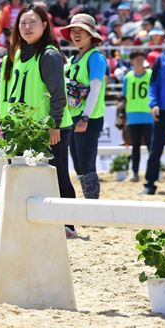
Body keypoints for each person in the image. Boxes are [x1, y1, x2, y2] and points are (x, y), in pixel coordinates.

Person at [5, 4, 76, 238]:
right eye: (23, 22)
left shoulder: (49, 55)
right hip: (26, 127)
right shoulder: (17, 53)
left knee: (58, 174)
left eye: (33, 22)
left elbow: (58, 94)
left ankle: (69, 223)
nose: (27, 27)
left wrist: (54, 124)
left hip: (51, 127)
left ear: (45, 25)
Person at [61, 14, 108, 204]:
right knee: (79, 164)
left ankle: (92, 205)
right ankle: (89, 203)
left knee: (87, 163)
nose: (76, 34)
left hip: (88, 118)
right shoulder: (73, 59)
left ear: (91, 35)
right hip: (73, 117)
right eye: (73, 30)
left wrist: (85, 117)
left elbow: (95, 89)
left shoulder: (96, 58)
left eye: (81, 31)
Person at [142, 23, 165, 194]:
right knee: (155, 149)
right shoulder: (160, 60)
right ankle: (150, 184)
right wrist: (154, 104)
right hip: (162, 110)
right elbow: (153, 85)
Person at [121, 51, 153, 182]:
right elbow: (124, 97)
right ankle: (135, 173)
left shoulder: (151, 75)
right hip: (133, 116)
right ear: (132, 61)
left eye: (141, 58)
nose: (139, 61)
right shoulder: (127, 77)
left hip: (148, 115)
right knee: (135, 146)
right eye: (136, 59)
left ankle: (152, 174)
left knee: (152, 147)